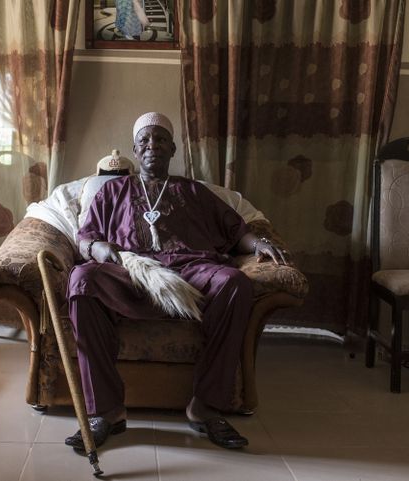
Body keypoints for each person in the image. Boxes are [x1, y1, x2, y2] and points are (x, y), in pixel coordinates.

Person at [64, 112, 289, 452]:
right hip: (130, 272)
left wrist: (260, 245)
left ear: (172, 149)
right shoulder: (112, 191)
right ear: (135, 151)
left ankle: (207, 407)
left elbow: (235, 230)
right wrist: (99, 248)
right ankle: (106, 412)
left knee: (234, 283)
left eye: (160, 140)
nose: (152, 146)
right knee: (82, 279)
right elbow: (86, 237)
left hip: (190, 271)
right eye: (145, 141)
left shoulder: (193, 192)